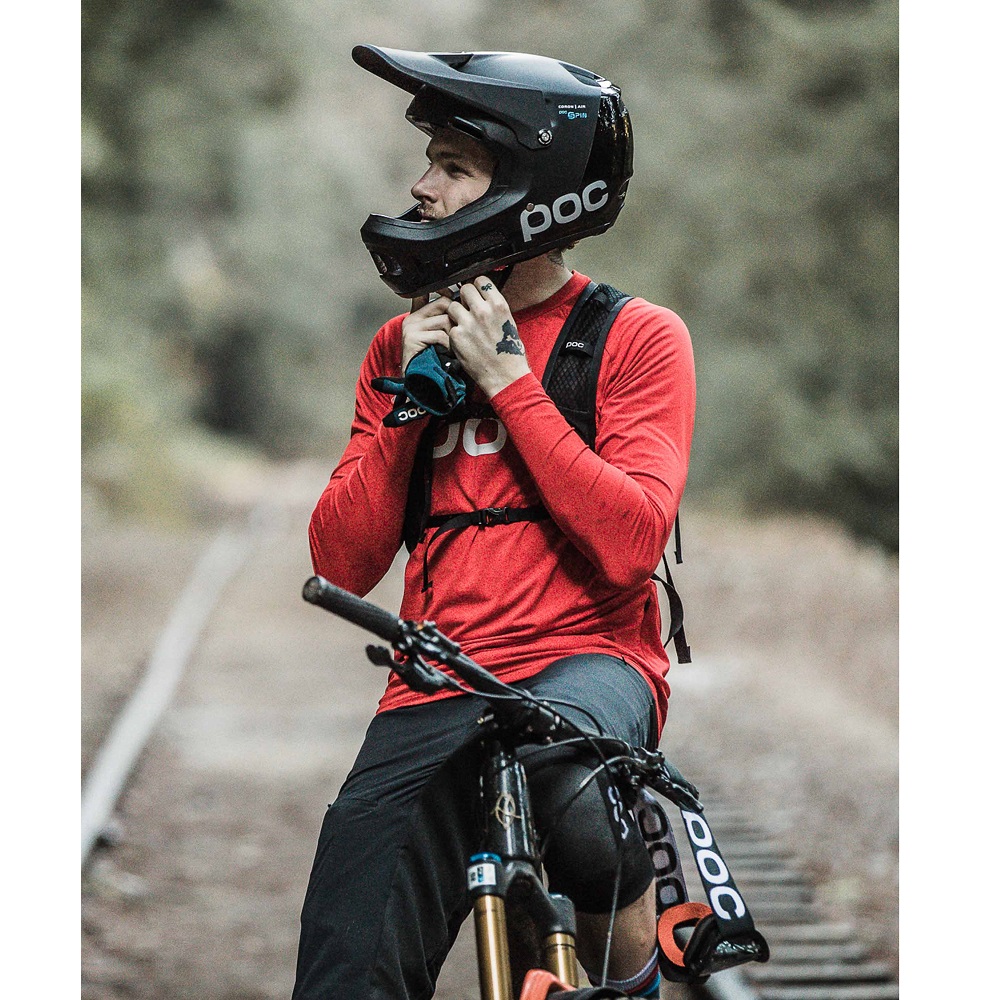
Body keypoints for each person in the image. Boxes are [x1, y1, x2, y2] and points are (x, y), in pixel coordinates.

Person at [292, 45, 696, 1000]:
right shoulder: (396, 346)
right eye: (429, 162)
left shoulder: (636, 337)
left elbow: (632, 545)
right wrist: (409, 401)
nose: (421, 188)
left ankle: (635, 985)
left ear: (531, 193)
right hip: (434, 677)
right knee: (347, 946)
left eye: (453, 166)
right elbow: (342, 560)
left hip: (586, 659)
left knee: (572, 789)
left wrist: (511, 383)